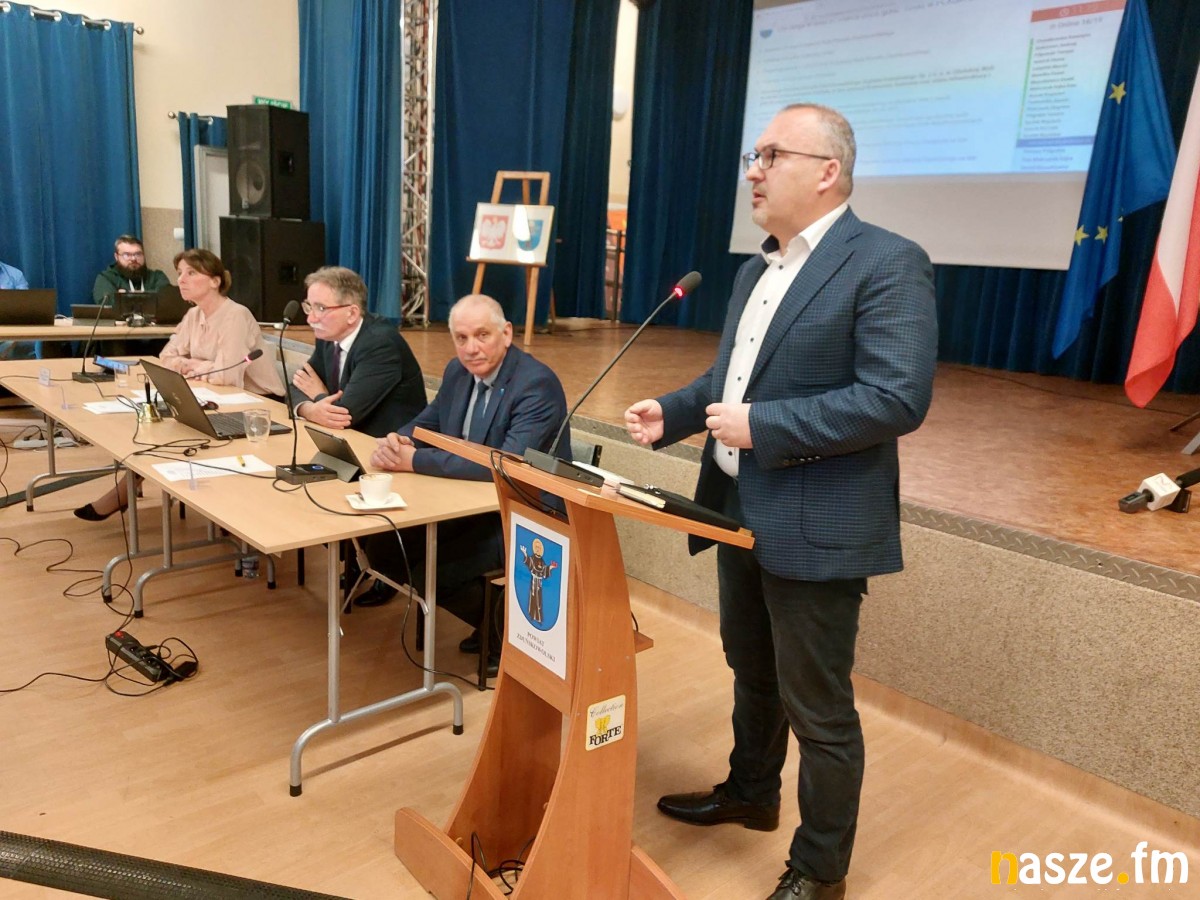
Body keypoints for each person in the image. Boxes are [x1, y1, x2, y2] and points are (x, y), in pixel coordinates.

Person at [623, 104, 937, 900]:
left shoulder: (887, 262)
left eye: (771, 155)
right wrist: (675, 411)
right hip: (737, 507)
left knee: (819, 710)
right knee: (751, 671)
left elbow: (896, 397)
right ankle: (751, 793)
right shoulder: (752, 271)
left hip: (818, 522)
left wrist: (764, 426)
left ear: (828, 171)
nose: (754, 172)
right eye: (752, 156)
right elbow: (732, 381)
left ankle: (820, 870)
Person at [358, 294, 569, 674]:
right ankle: (491, 619)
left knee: (435, 572)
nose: (471, 348)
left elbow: (504, 462)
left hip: (524, 515)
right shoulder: (458, 371)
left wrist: (413, 461)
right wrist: (398, 440)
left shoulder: (536, 384)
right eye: (461, 338)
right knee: (385, 549)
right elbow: (428, 422)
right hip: (466, 501)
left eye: (482, 335)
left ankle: (502, 632)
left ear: (507, 334)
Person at [75, 249, 284, 521]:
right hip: (216, 396)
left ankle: (124, 493)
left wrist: (195, 365)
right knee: (160, 429)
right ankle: (125, 489)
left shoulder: (235, 315)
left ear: (215, 281)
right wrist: (199, 365)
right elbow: (166, 357)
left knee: (173, 433)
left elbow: (228, 376)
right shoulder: (194, 315)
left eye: (191, 273)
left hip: (260, 407)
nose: (181, 280)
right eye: (180, 273)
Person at [289, 266, 426, 438]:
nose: (311, 318)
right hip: (349, 437)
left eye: (321, 308)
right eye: (309, 307)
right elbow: (296, 386)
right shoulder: (328, 336)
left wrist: (318, 395)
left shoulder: (381, 345)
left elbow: (345, 414)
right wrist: (309, 410)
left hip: (389, 444)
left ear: (352, 313)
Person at [92, 235, 170, 303]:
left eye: (138, 254)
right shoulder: (106, 278)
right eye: (127, 255)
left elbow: (166, 299)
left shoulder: (157, 277)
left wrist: (126, 297)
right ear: (116, 257)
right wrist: (148, 297)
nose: (133, 259)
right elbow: (107, 303)